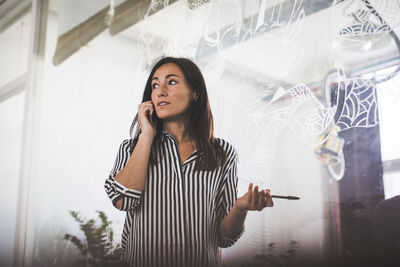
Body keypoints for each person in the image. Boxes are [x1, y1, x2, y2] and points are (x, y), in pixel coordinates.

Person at [104, 57, 274, 267]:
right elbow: (122, 200)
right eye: (155, 85)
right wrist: (146, 136)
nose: (160, 91)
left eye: (171, 82)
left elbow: (224, 237)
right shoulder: (131, 149)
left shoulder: (222, 153)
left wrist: (240, 208)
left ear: (196, 93)